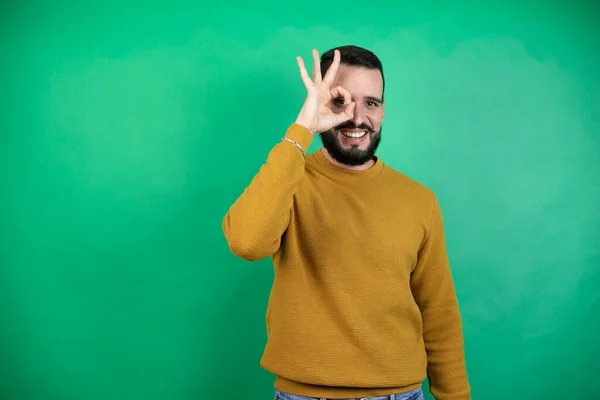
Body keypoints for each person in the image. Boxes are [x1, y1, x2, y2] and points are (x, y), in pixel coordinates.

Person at [222, 45, 471, 400]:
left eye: (371, 102)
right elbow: (246, 242)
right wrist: (302, 129)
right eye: (341, 101)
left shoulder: (419, 199)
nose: (357, 118)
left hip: (399, 394)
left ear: (383, 109)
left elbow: (439, 313)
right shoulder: (289, 180)